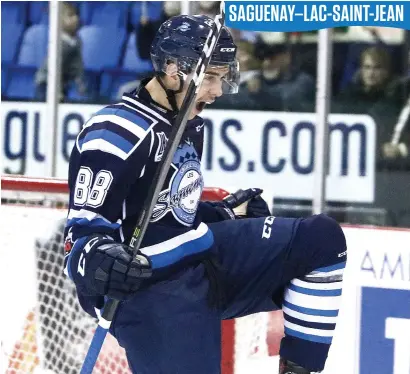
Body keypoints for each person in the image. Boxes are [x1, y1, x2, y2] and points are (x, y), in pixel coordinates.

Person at [63, 15, 347, 374]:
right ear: (171, 69)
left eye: (222, 77)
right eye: (209, 77)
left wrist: (224, 213)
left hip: (203, 259)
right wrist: (101, 258)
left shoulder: (187, 120)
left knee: (320, 241)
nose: (216, 91)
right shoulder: (115, 133)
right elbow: (80, 238)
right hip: (153, 292)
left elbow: (170, 215)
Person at [35, 2, 85, 101]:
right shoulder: (57, 41)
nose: (75, 19)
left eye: (76, 15)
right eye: (70, 16)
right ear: (59, 20)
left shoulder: (77, 41)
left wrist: (79, 81)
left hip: (64, 81)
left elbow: (78, 63)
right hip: (46, 81)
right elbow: (52, 67)